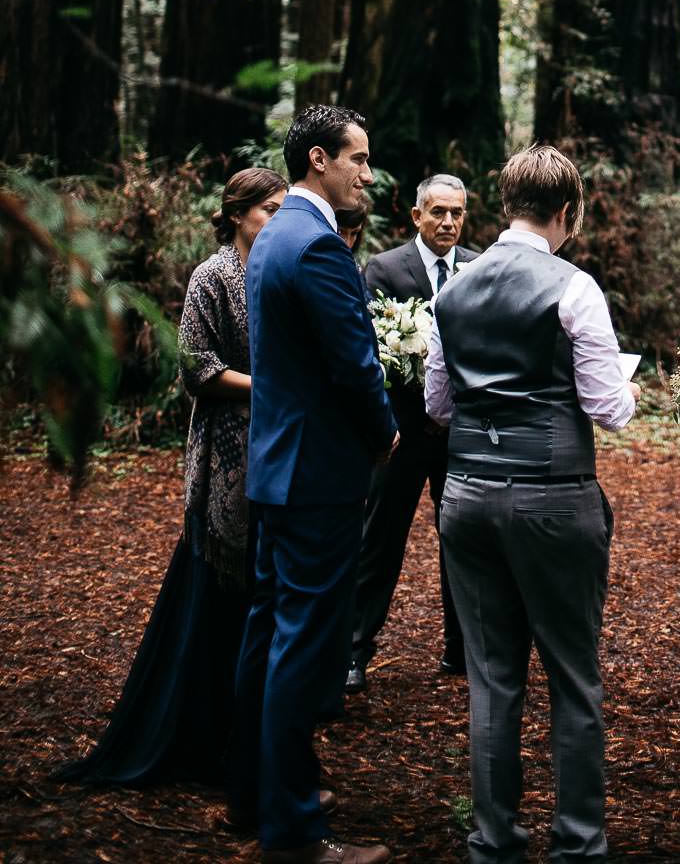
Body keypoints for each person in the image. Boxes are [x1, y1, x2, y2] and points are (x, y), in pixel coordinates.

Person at [425, 143, 638, 864]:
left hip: (466, 497)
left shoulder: (449, 293)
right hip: (551, 497)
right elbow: (610, 409)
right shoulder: (573, 288)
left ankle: (494, 841)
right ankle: (577, 843)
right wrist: (627, 387)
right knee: (573, 677)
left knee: (492, 677)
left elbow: (437, 403)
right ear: (566, 213)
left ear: (505, 204)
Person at [60, 166, 286, 787]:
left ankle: (247, 736)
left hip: (277, 446)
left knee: (259, 600)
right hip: (224, 452)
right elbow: (196, 367)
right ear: (237, 213)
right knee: (215, 591)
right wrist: (272, 389)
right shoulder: (212, 275)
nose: (275, 220)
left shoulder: (275, 271)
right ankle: (195, 736)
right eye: (268, 209)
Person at [228, 106, 397, 864]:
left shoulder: (271, 238)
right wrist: (386, 432)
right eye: (359, 160)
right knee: (299, 645)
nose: (368, 173)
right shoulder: (320, 245)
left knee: (267, 634)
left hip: (275, 465)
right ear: (320, 159)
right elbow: (354, 364)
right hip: (317, 475)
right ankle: (293, 831)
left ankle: (255, 794)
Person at [345, 173, 477, 693]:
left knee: (463, 541)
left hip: (460, 434)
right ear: (416, 216)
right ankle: (354, 649)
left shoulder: (478, 267)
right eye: (438, 212)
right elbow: (369, 347)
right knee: (379, 539)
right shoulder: (384, 269)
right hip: (401, 431)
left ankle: (462, 647)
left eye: (457, 213)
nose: (448, 222)